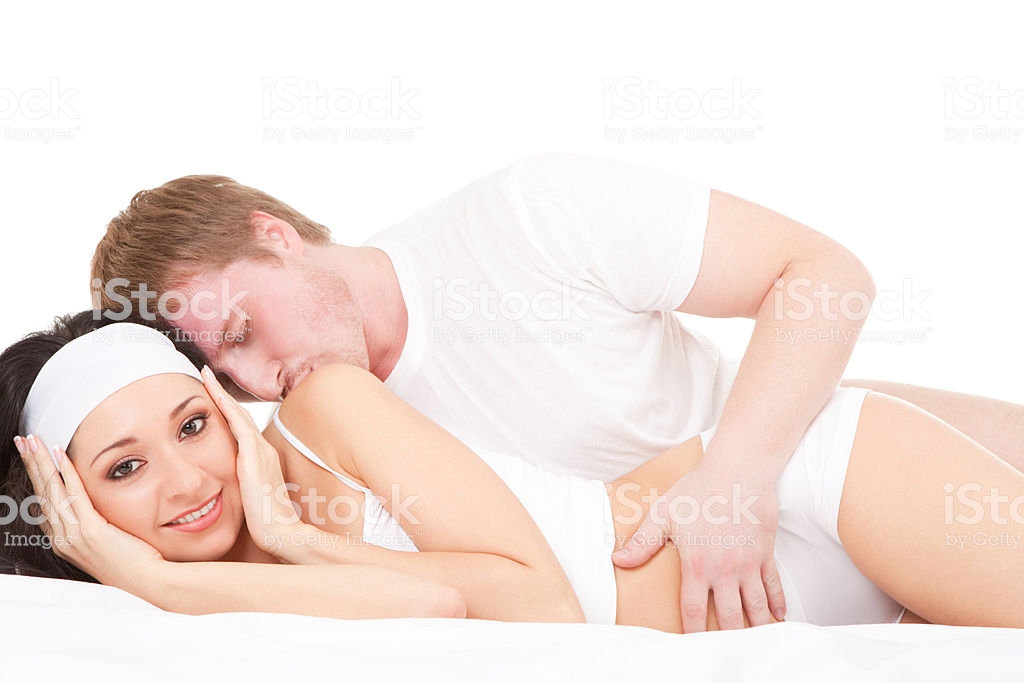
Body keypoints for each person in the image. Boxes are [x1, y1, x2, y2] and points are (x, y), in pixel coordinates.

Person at [89, 154, 1024, 631]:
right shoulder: (307, 448)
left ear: (275, 235)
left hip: (783, 458)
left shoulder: (528, 217)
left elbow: (824, 275)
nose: (259, 379)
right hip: (743, 568)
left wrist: (736, 478)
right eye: (225, 376)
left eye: (243, 330)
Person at [2, 313, 1023, 630]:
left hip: (800, 497)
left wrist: (286, 537)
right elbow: (427, 600)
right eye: (125, 466)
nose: (188, 480)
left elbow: (533, 601)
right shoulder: (180, 603)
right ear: (68, 501)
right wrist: (165, 581)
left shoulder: (325, 409)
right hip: (787, 598)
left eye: (193, 424)